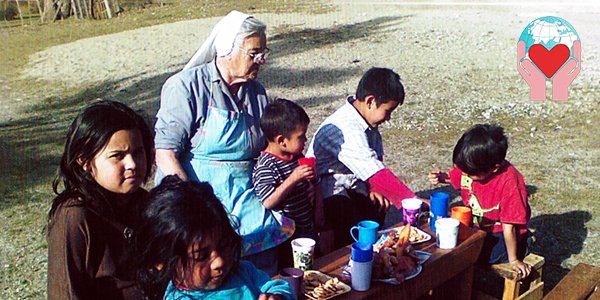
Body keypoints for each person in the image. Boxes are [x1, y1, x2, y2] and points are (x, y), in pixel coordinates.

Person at [153, 10, 293, 276]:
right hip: (201, 201)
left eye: (264, 52)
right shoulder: (186, 88)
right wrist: (193, 210)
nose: (261, 60)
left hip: (246, 198)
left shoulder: (257, 93)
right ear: (227, 48)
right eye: (254, 53)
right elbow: (166, 155)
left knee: (263, 260)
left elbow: (266, 151)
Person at [47, 100, 154, 299]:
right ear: (85, 162)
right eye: (117, 156)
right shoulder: (75, 217)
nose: (132, 164)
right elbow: (65, 292)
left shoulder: (147, 204)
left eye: (138, 152)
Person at [306, 67, 417, 250]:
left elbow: (376, 161)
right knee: (345, 218)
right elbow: (374, 171)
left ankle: (371, 253)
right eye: (388, 111)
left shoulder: (368, 123)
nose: (388, 118)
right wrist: (411, 200)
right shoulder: (346, 127)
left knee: (378, 205)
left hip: (352, 182)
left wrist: (374, 188)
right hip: (325, 187)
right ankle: (344, 260)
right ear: (371, 101)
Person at [135, 175, 294, 300]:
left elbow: (276, 286)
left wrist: (278, 296)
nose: (219, 262)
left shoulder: (243, 271)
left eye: (224, 246)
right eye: (201, 256)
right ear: (162, 261)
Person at [428, 124, 532, 277]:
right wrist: (443, 177)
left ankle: (524, 246)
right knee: (446, 243)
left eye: (469, 173)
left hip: (501, 235)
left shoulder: (510, 182)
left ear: (494, 168)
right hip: (477, 228)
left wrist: (514, 259)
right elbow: (458, 177)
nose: (464, 174)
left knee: (470, 255)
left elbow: (509, 228)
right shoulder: (473, 166)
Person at [252, 98, 325, 268]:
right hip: (285, 237)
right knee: (294, 271)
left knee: (314, 267)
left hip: (307, 228)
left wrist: (318, 208)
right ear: (282, 141)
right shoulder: (266, 166)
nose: (306, 140)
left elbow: (315, 182)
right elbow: (268, 201)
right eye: (301, 136)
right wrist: (293, 179)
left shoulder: (297, 158)